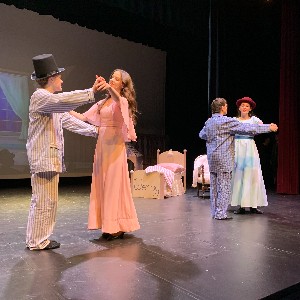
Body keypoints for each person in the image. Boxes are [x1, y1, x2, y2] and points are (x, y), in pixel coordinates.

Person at [26, 54, 107, 250]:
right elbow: (64, 101)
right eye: (59, 77)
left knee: (47, 200)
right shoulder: (41, 97)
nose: (62, 80)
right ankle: (37, 241)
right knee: (43, 201)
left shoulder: (50, 102)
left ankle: (38, 239)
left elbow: (69, 121)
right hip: (43, 157)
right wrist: (91, 91)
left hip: (49, 158)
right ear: (52, 79)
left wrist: (96, 131)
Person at [69, 69, 140, 240]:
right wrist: (64, 109)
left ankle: (117, 225)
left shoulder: (122, 101)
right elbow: (84, 118)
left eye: (116, 79)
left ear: (123, 85)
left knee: (114, 186)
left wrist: (108, 87)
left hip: (115, 146)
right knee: (103, 184)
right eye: (111, 78)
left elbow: (117, 98)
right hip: (102, 146)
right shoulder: (103, 103)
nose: (112, 80)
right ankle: (108, 225)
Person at [199, 98, 278, 220]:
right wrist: (268, 128)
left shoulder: (209, 122)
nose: (227, 108)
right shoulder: (227, 121)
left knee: (214, 186)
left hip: (212, 157)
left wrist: (216, 136)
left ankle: (215, 212)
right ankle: (220, 213)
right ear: (222, 108)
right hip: (223, 157)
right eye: (226, 106)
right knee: (224, 185)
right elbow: (249, 128)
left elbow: (202, 134)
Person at [231, 97, 269, 214]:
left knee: (251, 174)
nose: (244, 107)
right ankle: (241, 205)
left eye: (247, 106)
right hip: (237, 147)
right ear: (239, 107)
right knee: (239, 174)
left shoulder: (254, 120)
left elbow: (263, 128)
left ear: (250, 108)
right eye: (242, 105)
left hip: (249, 148)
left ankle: (253, 205)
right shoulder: (234, 120)